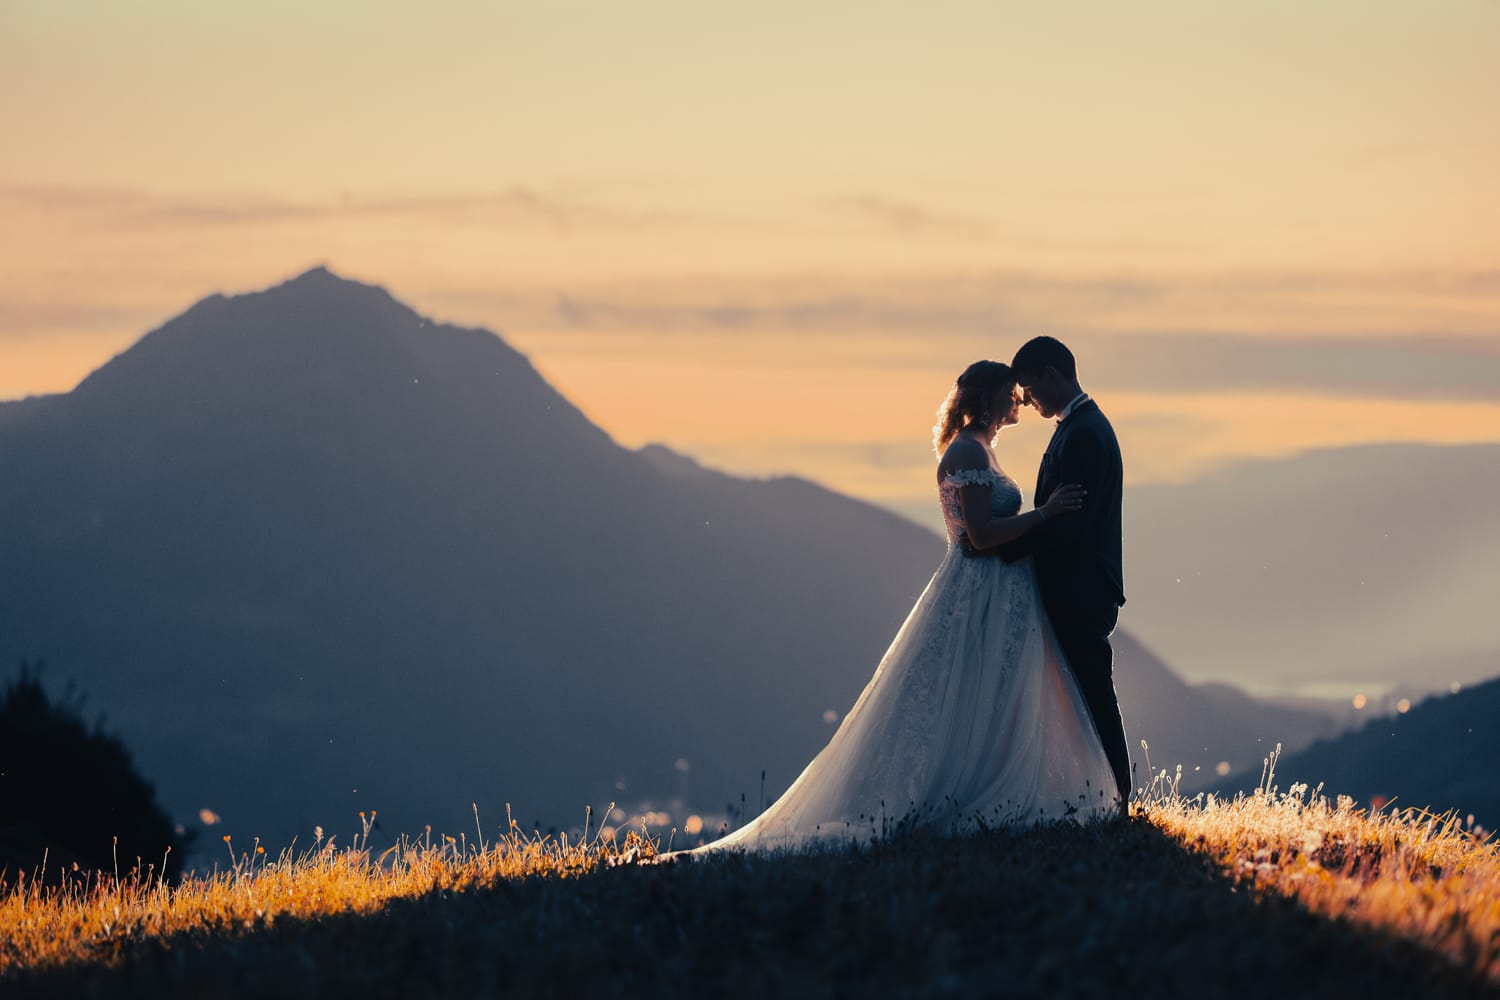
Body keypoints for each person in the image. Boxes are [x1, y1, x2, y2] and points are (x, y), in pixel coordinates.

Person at [689, 360, 1118, 854]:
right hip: (979, 592)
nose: (1017, 399)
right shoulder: (965, 452)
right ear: (987, 397)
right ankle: (959, 793)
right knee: (965, 693)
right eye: (1009, 392)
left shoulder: (980, 449)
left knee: (994, 695)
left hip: (1003, 591)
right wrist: (1045, 515)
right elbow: (978, 536)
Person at [977, 337, 1131, 815]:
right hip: (1077, 586)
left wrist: (1004, 546)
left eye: (1028, 388)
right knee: (1084, 694)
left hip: (1080, 588)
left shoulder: (1084, 433)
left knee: (1092, 693)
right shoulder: (1081, 426)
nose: (1026, 399)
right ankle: (1101, 794)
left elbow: (1073, 523)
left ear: (1051, 375)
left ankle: (1119, 796)